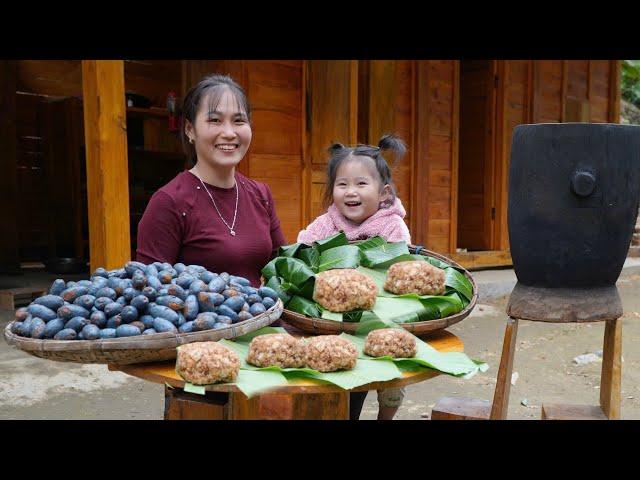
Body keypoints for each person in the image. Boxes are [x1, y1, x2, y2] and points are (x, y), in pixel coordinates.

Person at [297, 134, 410, 420]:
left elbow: (402, 267)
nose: (351, 192)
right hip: (332, 317)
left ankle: (386, 415)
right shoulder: (327, 223)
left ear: (384, 193)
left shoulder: (392, 226)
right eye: (342, 184)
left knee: (392, 371)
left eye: (361, 184)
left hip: (381, 314)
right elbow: (301, 250)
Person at [136, 74, 286, 287]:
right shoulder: (169, 202)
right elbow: (148, 291)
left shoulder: (260, 194)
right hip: (200, 320)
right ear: (190, 129)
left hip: (261, 319)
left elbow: (282, 270)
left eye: (238, 121)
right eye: (215, 120)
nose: (229, 133)